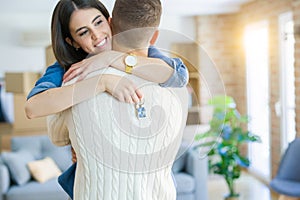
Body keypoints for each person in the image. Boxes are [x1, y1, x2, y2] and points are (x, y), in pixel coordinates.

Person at [25, 0, 188, 199]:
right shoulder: (69, 69)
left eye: (98, 23)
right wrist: (102, 82)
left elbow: (178, 75)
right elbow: (33, 107)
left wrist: (110, 59)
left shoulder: (143, 56)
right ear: (73, 42)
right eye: (83, 32)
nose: (96, 35)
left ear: (109, 22)